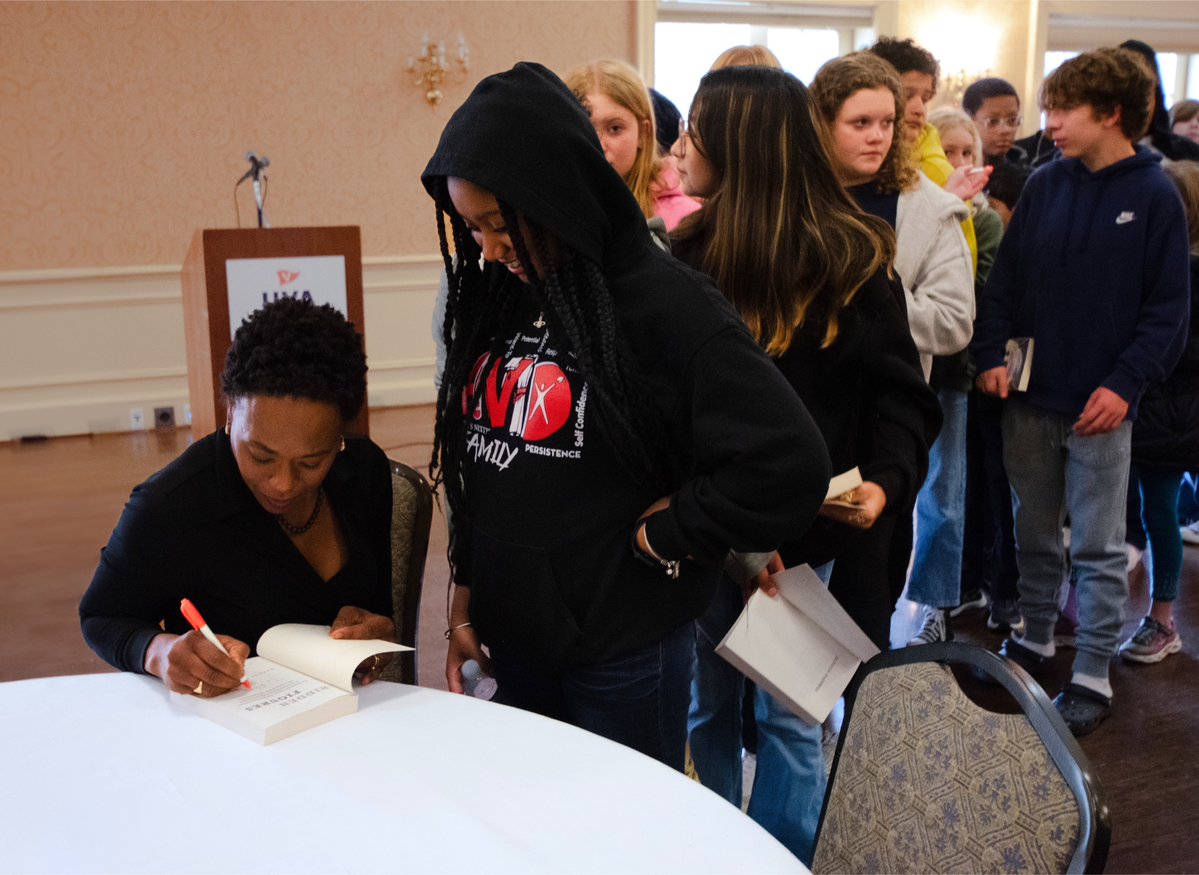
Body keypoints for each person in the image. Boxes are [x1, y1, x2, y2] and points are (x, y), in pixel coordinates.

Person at [423, 62, 830, 770]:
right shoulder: (498, 293)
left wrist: (666, 535)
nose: (487, 247)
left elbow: (787, 461)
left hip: (619, 649)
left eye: (499, 223)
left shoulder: (663, 302)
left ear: (552, 196)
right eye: (473, 227)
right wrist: (464, 597)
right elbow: (480, 464)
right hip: (515, 638)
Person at [670, 65, 939, 863]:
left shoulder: (854, 256)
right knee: (706, 705)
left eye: (694, 129)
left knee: (793, 721)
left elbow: (901, 399)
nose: (680, 146)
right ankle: (714, 852)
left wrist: (887, 485)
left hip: (812, 545)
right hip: (709, 535)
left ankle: (782, 858)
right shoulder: (684, 256)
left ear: (738, 144)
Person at [972, 47, 1190, 735]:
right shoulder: (1043, 184)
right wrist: (989, 354)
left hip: (1102, 405)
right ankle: (1037, 639)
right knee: (1033, 531)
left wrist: (1125, 385)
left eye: (1062, 110)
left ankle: (1092, 670)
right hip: (1030, 396)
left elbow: (1166, 313)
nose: (1049, 123)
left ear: (1111, 113)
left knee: (1096, 545)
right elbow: (1004, 282)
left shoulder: (1154, 194)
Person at [79, 298, 395, 697]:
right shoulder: (172, 504)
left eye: (312, 462)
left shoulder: (364, 473)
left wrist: (380, 629)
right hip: (232, 730)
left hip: (353, 717)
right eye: (260, 455)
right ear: (229, 410)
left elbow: (379, 610)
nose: (282, 483)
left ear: (340, 439)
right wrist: (161, 653)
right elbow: (102, 616)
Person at [811, 52, 975, 648]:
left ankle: (857, 724)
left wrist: (872, 306)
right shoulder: (796, 201)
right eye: (861, 123)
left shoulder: (929, 210)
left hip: (882, 425)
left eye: (888, 122)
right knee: (786, 610)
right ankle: (787, 735)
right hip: (803, 420)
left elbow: (956, 322)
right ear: (822, 124)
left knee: (865, 602)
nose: (878, 136)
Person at [1123, 159, 1199, 663]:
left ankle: (1164, 619)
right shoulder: (1151, 265)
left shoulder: (1169, 273)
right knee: (1158, 515)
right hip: (1162, 411)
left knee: (1159, 516)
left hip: (1171, 409)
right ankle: (1160, 619)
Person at [564, 59, 700, 231]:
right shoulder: (551, 209)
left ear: (643, 133)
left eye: (615, 128)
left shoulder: (685, 223)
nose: (598, 145)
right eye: (585, 128)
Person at [962, 77, 1027, 167]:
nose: (1005, 130)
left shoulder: (1030, 178)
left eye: (1012, 120)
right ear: (968, 121)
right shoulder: (948, 173)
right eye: (993, 121)